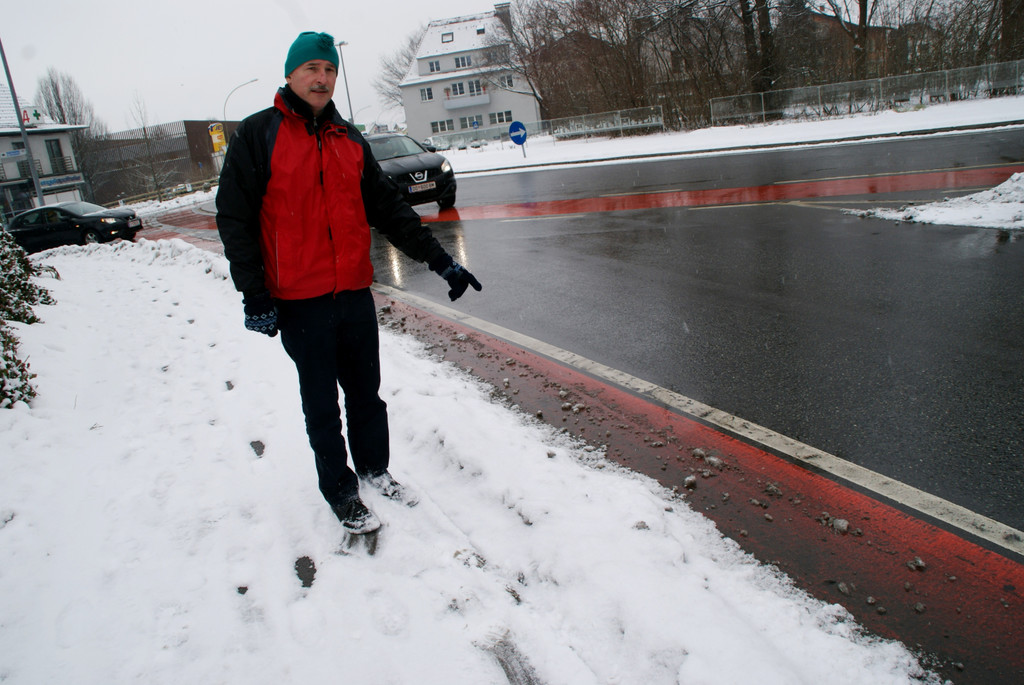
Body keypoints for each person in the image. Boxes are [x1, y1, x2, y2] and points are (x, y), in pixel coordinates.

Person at [216, 31, 481, 535]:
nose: (322, 78)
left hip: (354, 292)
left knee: (366, 394)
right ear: (291, 74)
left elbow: (390, 211)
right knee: (321, 403)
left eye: (330, 69)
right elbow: (235, 219)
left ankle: (375, 470)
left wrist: (440, 262)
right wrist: (255, 294)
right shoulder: (258, 135)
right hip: (300, 300)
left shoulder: (348, 138)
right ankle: (339, 490)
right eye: (313, 68)